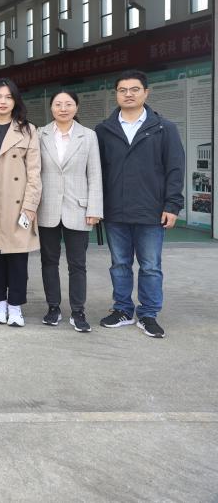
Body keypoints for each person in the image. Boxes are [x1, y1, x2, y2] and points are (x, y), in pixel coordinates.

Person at [95, 70, 184, 339]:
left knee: (150, 266)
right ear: (116, 94)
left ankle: (148, 314)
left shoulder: (164, 128)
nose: (128, 94)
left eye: (134, 89)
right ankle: (123, 309)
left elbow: (175, 169)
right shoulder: (104, 130)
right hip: (115, 210)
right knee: (119, 264)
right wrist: (96, 207)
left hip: (151, 210)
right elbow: (97, 171)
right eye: (123, 90)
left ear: (146, 92)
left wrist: (172, 205)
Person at [37, 90, 103, 333]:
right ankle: (53, 307)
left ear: (76, 107)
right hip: (47, 207)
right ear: (51, 108)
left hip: (79, 208)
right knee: (48, 261)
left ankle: (78, 311)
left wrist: (95, 208)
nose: (63, 108)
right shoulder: (40, 134)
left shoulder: (88, 136)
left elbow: (94, 174)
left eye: (68, 104)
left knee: (77, 264)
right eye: (58, 104)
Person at [0, 78, 42, 328]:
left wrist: (29, 206)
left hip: (17, 205)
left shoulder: (28, 130)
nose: (3, 102)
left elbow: (34, 173)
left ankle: (15, 306)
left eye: (8, 97)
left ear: (15, 101)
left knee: (17, 259)